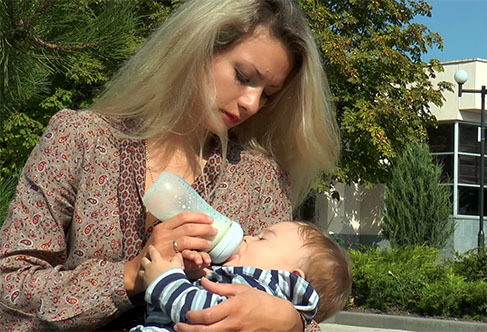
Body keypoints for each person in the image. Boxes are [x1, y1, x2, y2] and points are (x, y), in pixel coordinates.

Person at [0, 0, 340, 331]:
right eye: (243, 76)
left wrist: (289, 322)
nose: (252, 103)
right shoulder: (80, 140)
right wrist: (131, 274)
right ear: (196, 48)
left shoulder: (259, 180)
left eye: (268, 94)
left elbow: (296, 296)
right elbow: (9, 290)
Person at [131, 221, 351, 332]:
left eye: (263, 239)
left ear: (290, 277)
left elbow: (202, 313)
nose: (247, 237)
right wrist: (183, 275)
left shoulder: (262, 289)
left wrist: (164, 279)